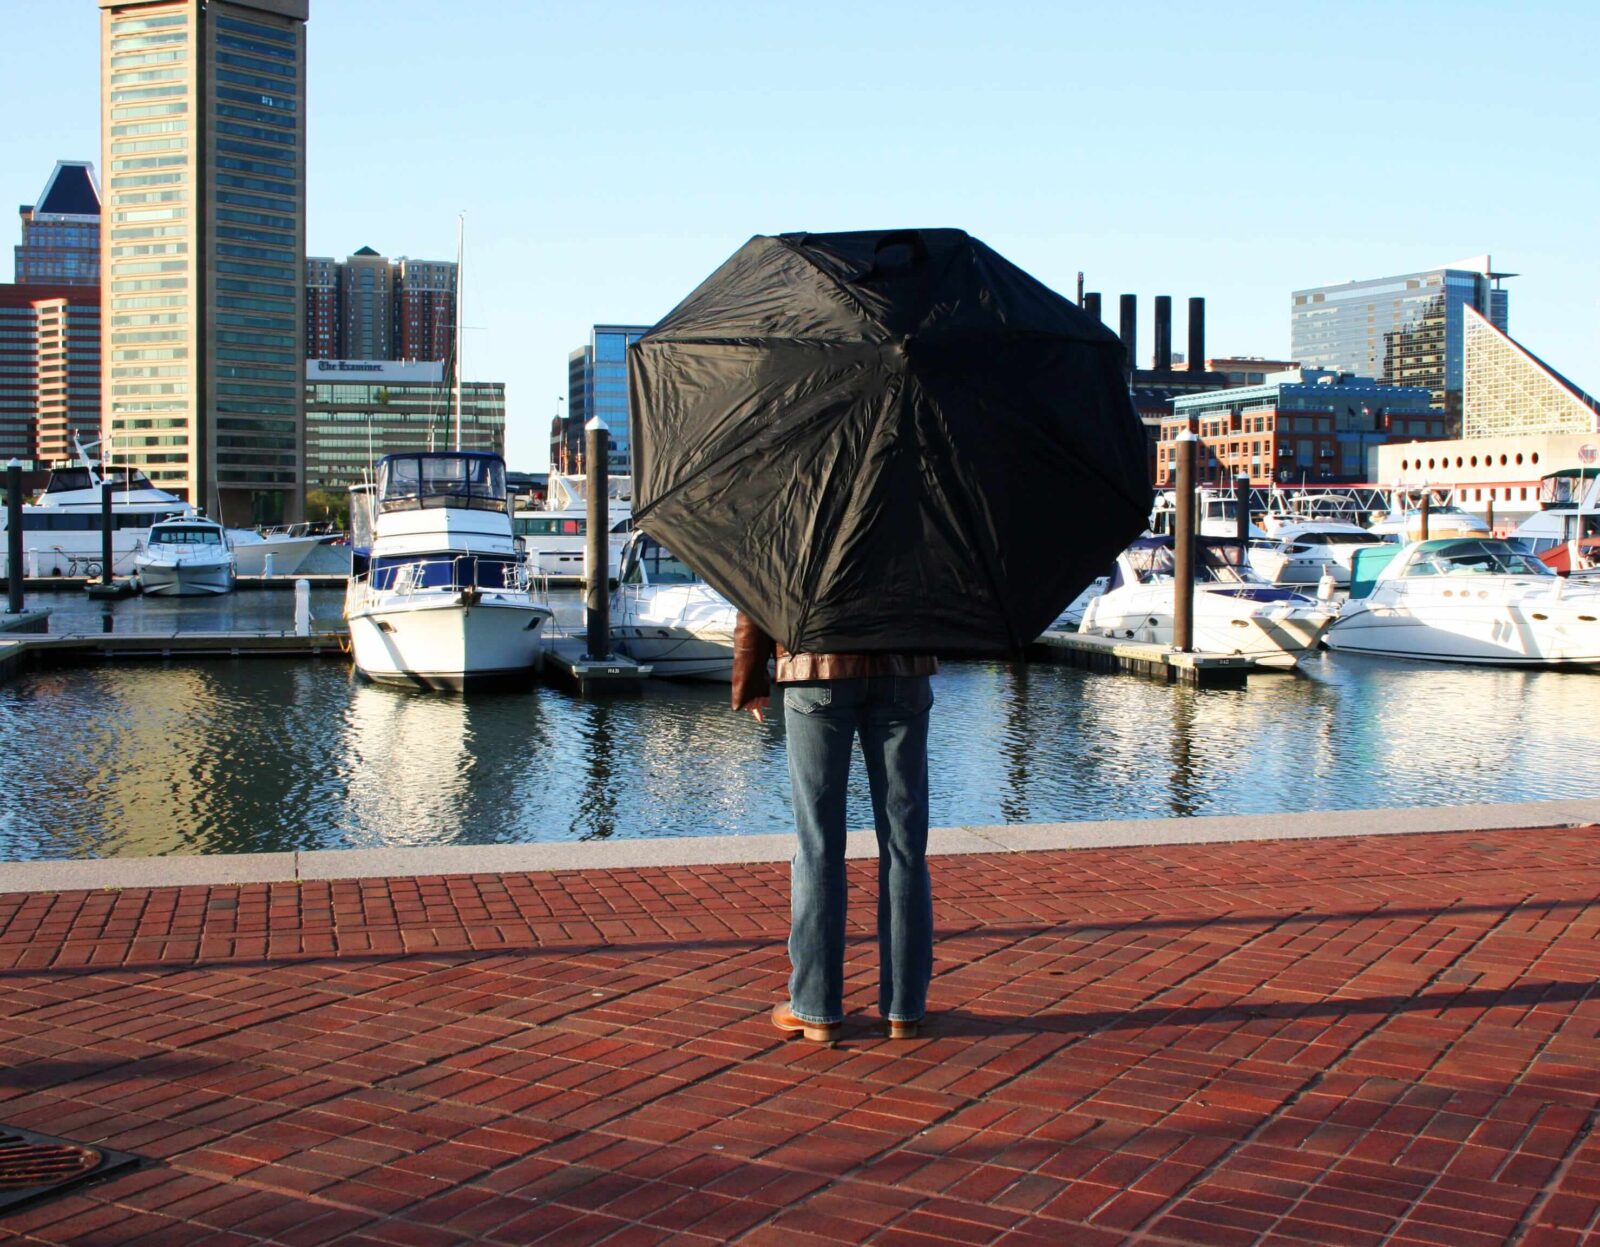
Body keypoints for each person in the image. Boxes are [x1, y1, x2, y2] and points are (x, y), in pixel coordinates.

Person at [733, 612, 937, 1044]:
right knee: (905, 846)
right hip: (903, 666)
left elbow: (756, 582)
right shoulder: (917, 538)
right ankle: (905, 1010)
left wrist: (750, 677)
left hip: (815, 666)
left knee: (818, 846)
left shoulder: (797, 538)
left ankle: (817, 1009)